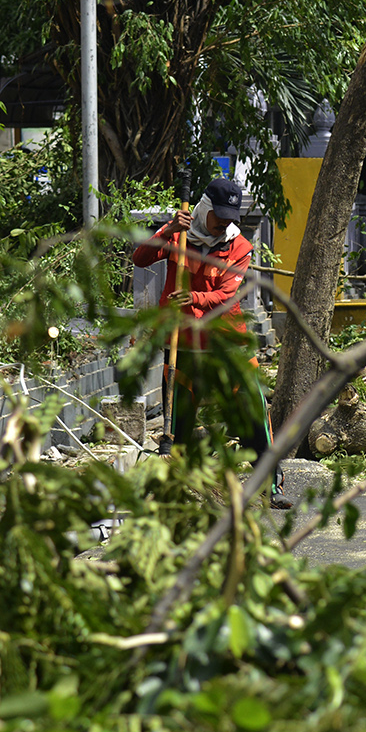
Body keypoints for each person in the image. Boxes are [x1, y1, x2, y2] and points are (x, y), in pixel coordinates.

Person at [132, 178, 286, 504]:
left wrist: (194, 297)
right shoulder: (178, 235)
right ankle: (175, 489)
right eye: (219, 216)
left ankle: (269, 486)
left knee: (253, 409)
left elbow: (227, 295)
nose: (223, 223)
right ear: (203, 208)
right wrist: (170, 227)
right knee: (179, 418)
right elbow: (140, 258)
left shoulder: (239, 246)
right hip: (183, 341)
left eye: (230, 217)